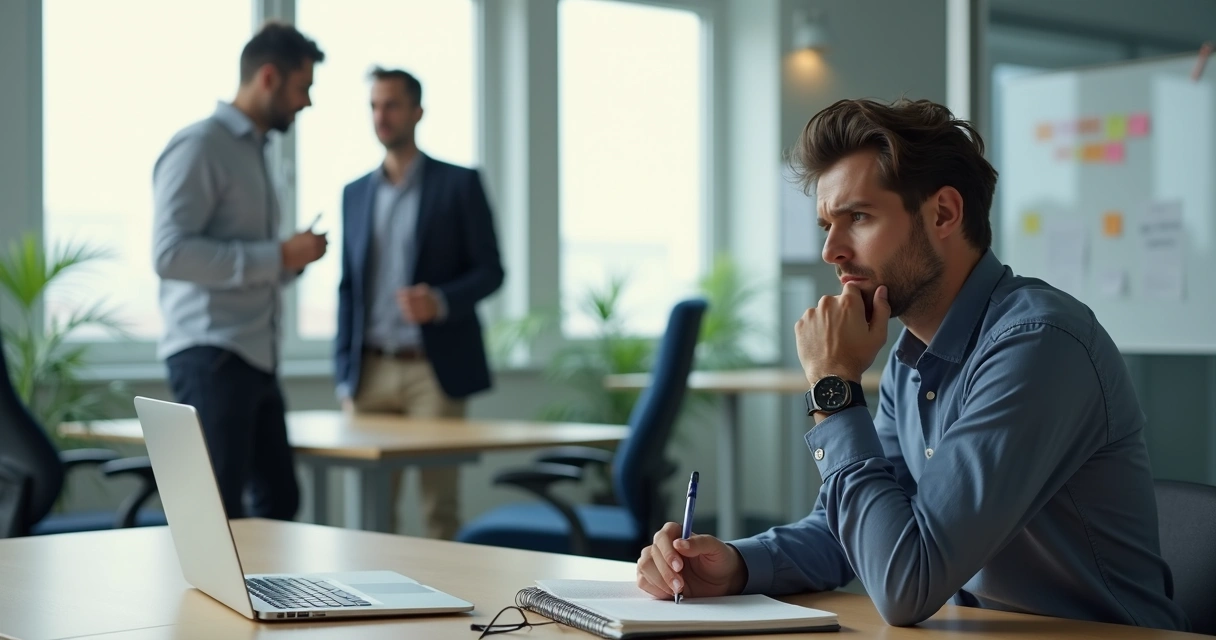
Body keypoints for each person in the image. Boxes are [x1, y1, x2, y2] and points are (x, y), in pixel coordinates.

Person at [635, 98, 1190, 632]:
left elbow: (906, 582)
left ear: (943, 213)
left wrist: (834, 388)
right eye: (827, 224)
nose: (832, 250)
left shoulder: (1038, 345)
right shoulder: (912, 358)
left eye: (858, 217)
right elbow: (856, 533)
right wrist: (735, 565)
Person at [152, 22, 327, 521]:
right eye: (303, 87)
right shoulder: (200, 146)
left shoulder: (255, 153)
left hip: (255, 357)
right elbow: (170, 254)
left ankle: (270, 602)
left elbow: (248, 258)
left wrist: (292, 260)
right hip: (213, 356)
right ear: (268, 77)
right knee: (216, 513)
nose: (307, 102)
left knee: (279, 504)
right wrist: (278, 256)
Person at [334, 67, 504, 540]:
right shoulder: (355, 194)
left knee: (438, 508)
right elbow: (349, 288)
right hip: (369, 372)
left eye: (390, 105)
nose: (380, 116)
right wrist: (343, 373)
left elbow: (492, 270)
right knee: (370, 515)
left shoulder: (460, 184)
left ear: (417, 111)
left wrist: (442, 301)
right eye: (373, 105)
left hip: (435, 371)